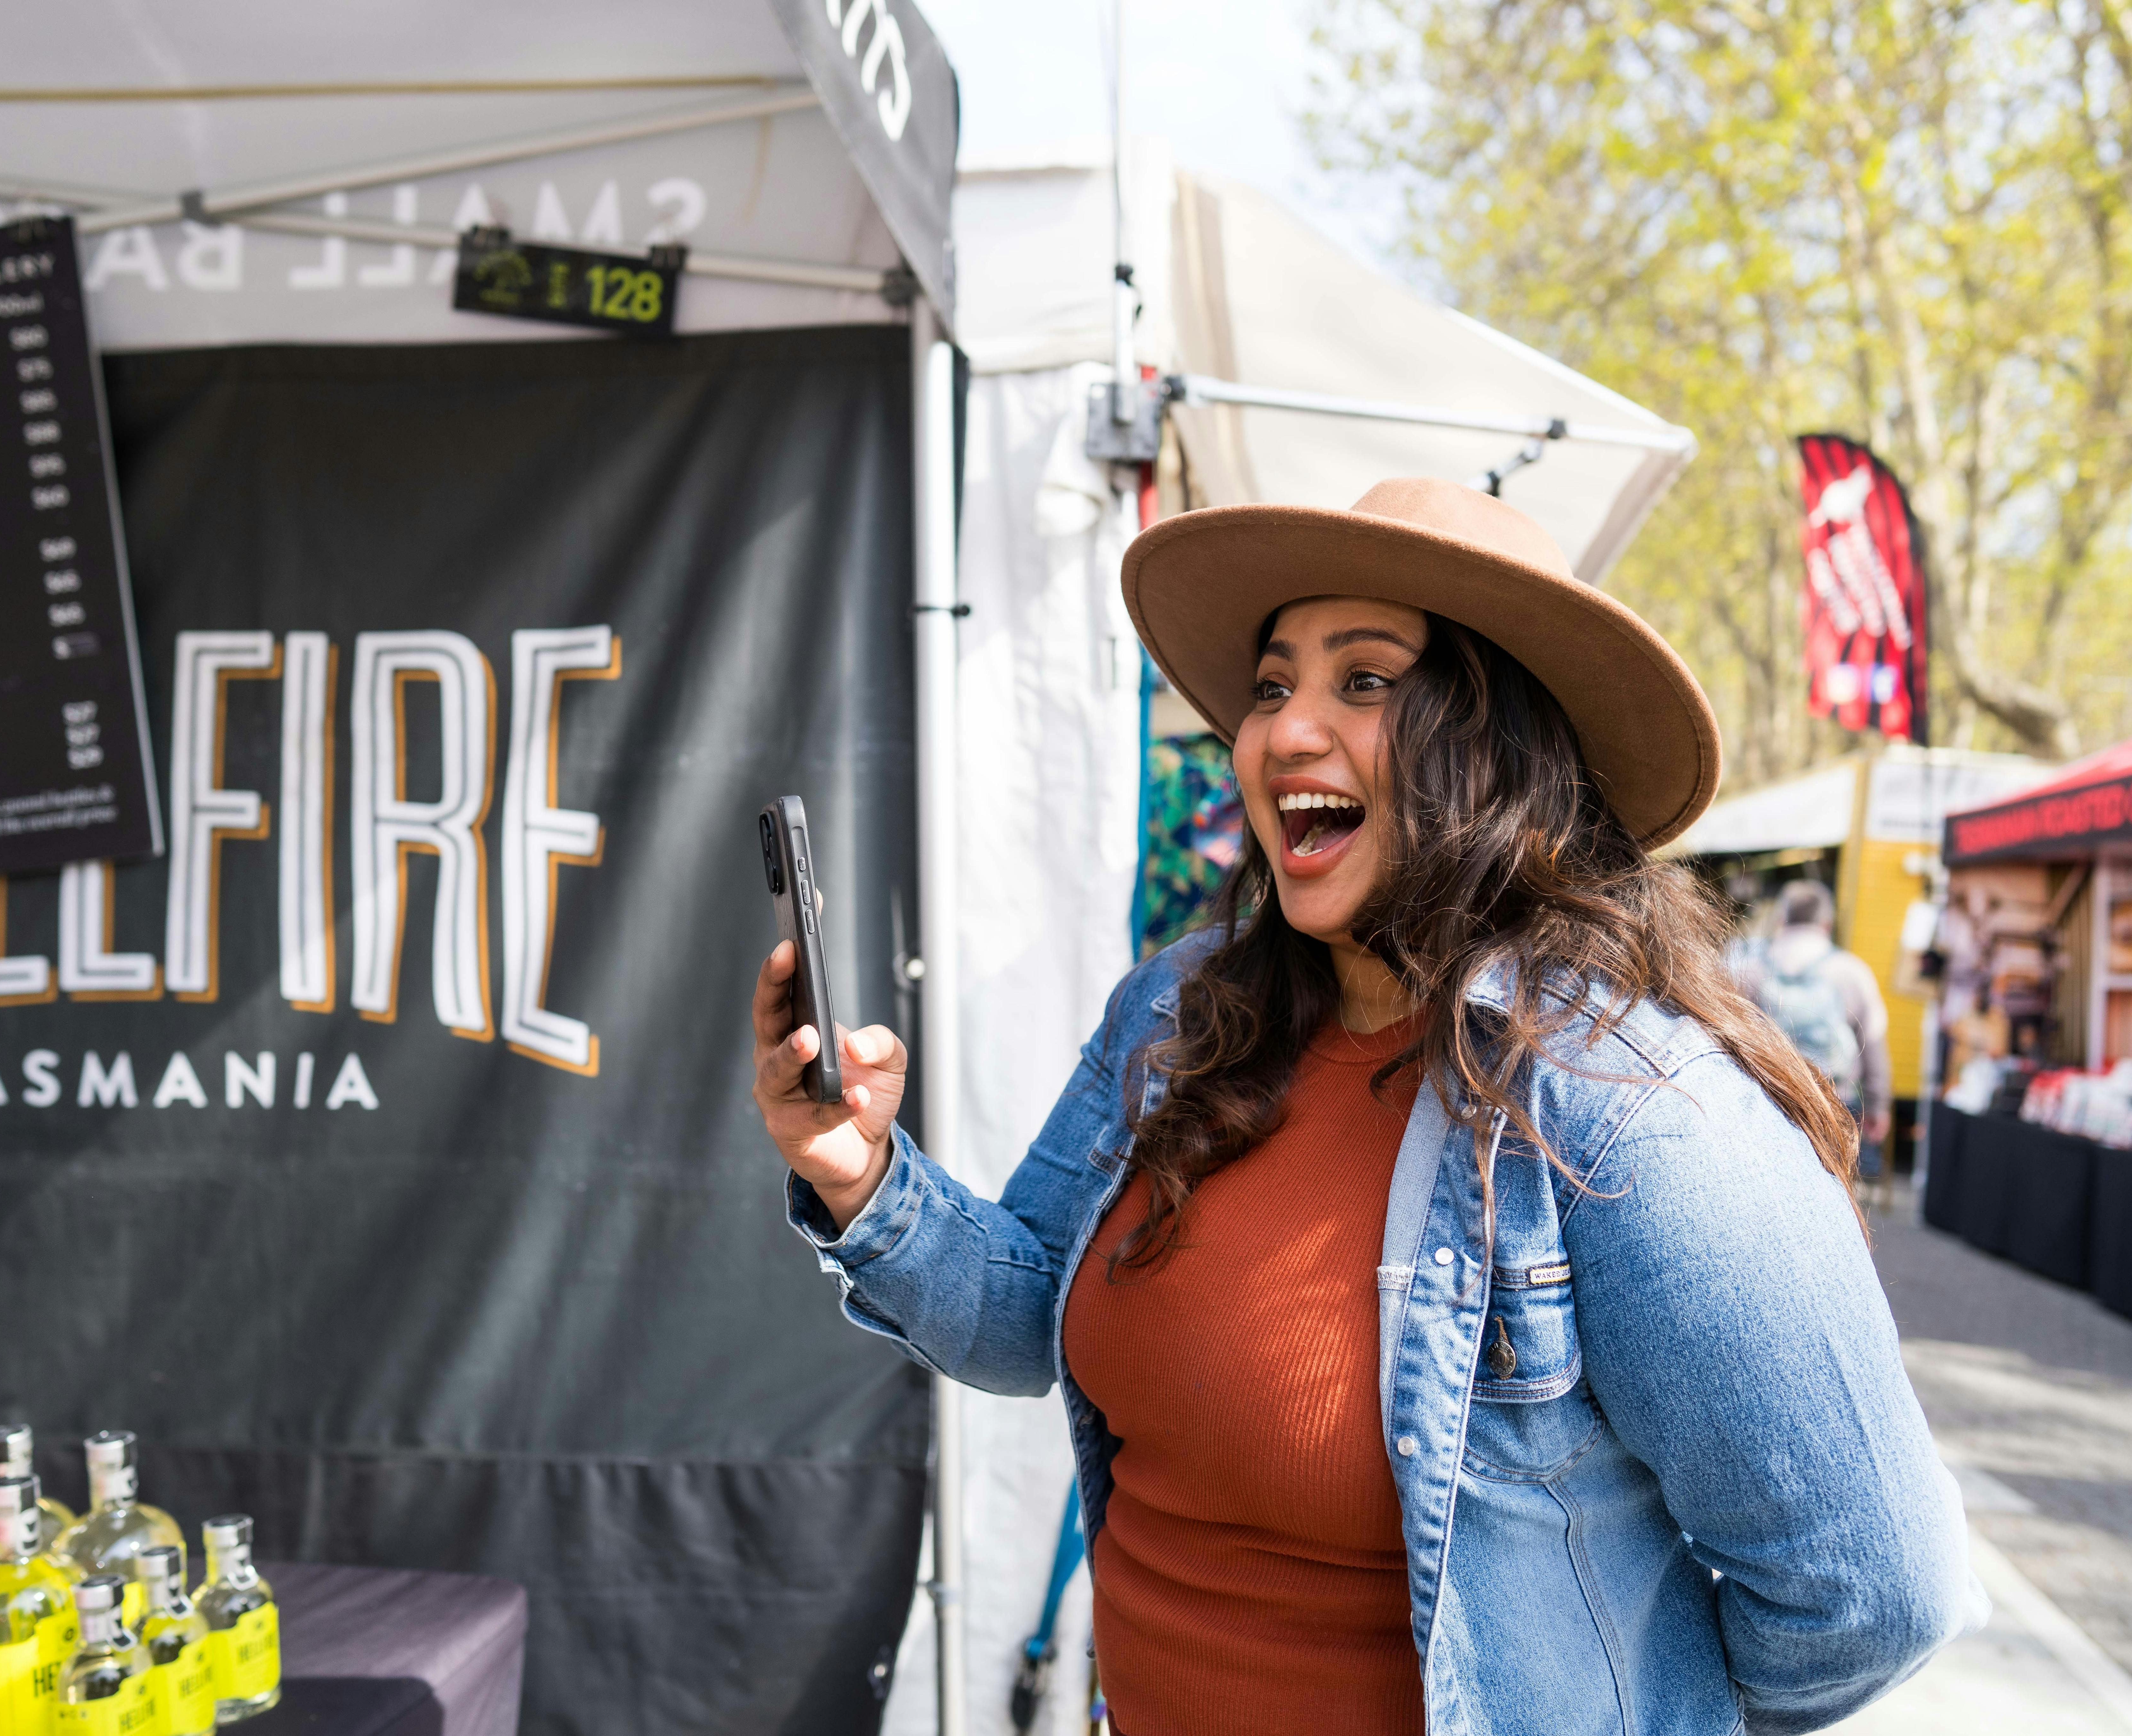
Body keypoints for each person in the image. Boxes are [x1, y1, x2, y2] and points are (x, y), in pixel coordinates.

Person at [749, 479, 1978, 1735]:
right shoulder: (1175, 1014)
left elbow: (1872, 1595)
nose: (1282, 733)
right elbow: (1026, 1318)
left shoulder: (1628, 1113)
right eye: (1272, 686)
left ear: (1504, 746)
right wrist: (863, 1177)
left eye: (1368, 682)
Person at [1731, 879, 1893, 1182]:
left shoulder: (1751, 968)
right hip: (1835, 1102)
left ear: (1782, 919)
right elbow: (1873, 1042)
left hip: (1767, 1099)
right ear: (1827, 923)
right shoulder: (1851, 971)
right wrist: (1878, 1105)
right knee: (1831, 1189)